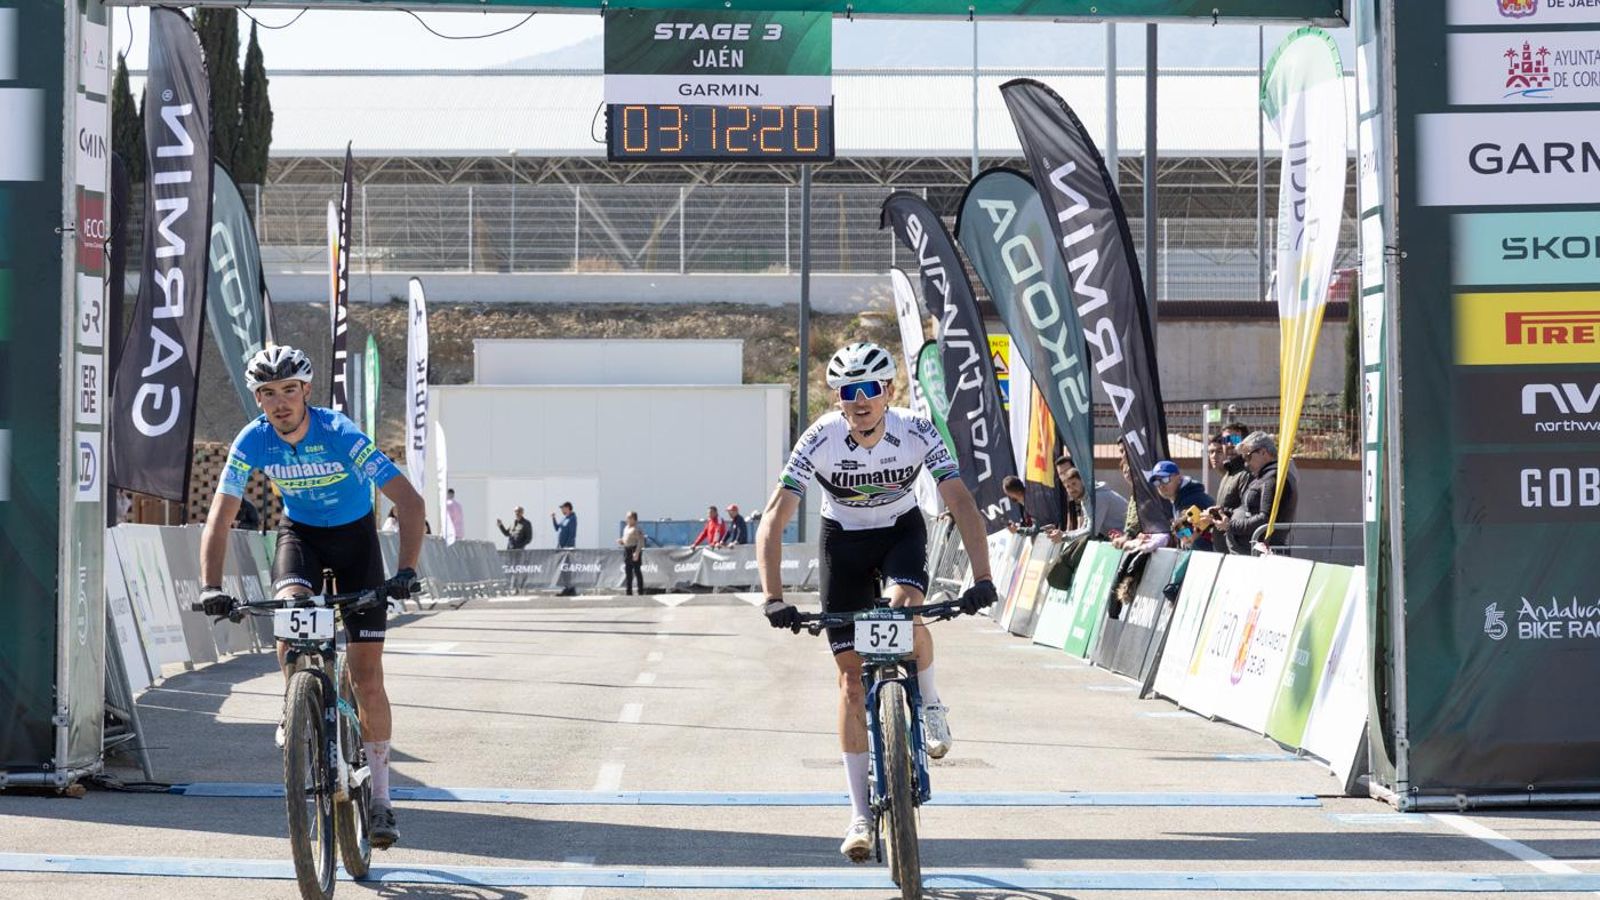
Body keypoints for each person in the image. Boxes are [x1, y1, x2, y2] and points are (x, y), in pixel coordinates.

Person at [756, 341, 998, 865]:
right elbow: (774, 515)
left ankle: (929, 704)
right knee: (849, 680)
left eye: (870, 389)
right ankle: (860, 816)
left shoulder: (917, 430)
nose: (860, 400)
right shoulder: (819, 437)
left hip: (899, 534)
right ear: (837, 398)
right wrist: (773, 596)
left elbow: (960, 500)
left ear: (888, 390)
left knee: (903, 609)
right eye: (849, 391)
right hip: (841, 544)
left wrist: (983, 577)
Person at [196, 345, 423, 851]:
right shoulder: (253, 439)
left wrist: (407, 571)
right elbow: (220, 514)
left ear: (306, 391)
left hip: (356, 542)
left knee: (367, 677)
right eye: (268, 393)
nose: (280, 403)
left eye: (289, 391)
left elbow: (410, 501)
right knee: (291, 608)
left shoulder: (339, 431)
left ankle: (382, 799)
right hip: (300, 536)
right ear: (258, 399)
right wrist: (210, 585)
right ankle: (296, 701)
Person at [1216, 432, 1297, 554]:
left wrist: (1230, 525)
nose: (1246, 463)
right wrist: (1223, 512)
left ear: (1263, 452)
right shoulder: (1264, 476)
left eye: (1247, 457)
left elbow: (1265, 519)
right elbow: (1247, 510)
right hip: (1252, 552)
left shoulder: (1272, 478)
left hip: (1263, 555)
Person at [1046, 458, 1128, 542]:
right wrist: (1063, 534)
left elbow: (1091, 532)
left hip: (1128, 539)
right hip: (1117, 540)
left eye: (1074, 484)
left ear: (1083, 481)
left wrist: (1064, 537)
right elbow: (1083, 529)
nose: (1071, 489)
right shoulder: (1085, 498)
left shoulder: (1098, 497)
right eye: (1068, 487)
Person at [1146, 460, 1215, 551]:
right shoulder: (1180, 497)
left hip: (1209, 555)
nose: (1161, 486)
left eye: (1165, 479)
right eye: (1156, 482)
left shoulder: (1191, 499)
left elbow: (1190, 538)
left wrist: (1180, 531)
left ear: (1178, 478)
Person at [618, 511, 646, 596]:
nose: (627, 519)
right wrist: (621, 541)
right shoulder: (626, 528)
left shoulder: (637, 528)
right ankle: (629, 591)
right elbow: (625, 539)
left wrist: (637, 553)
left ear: (633, 519)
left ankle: (640, 591)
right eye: (627, 518)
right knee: (628, 571)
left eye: (629, 518)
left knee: (637, 571)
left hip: (634, 549)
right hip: (627, 550)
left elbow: (640, 541)